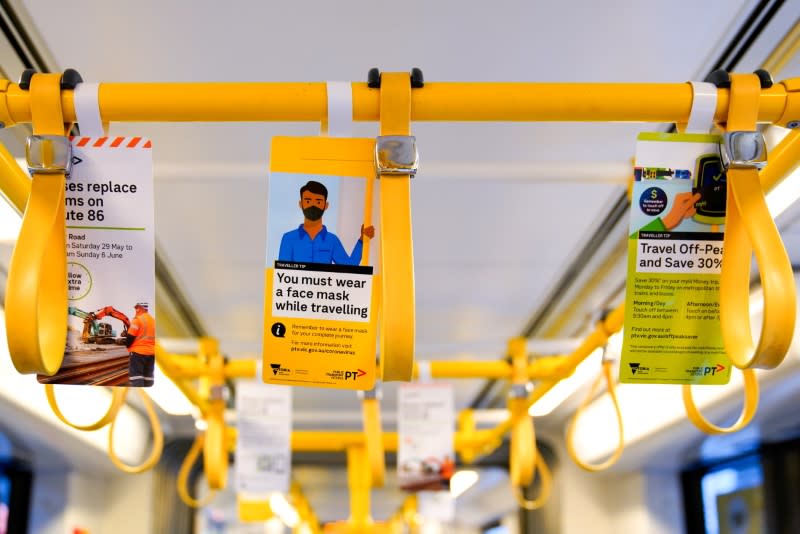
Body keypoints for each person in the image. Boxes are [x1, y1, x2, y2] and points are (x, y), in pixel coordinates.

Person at [278, 180, 374, 265]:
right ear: (300, 204)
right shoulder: (288, 239)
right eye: (308, 201)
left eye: (318, 202)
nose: (313, 205)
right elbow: (282, 274)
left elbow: (349, 266)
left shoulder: (332, 240)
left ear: (326, 205)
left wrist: (363, 240)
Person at [126, 302, 155, 387]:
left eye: (136, 308)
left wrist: (127, 346)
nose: (135, 310)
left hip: (138, 353)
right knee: (148, 377)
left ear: (139, 308)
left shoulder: (137, 320)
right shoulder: (153, 320)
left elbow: (130, 336)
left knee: (136, 377)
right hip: (151, 353)